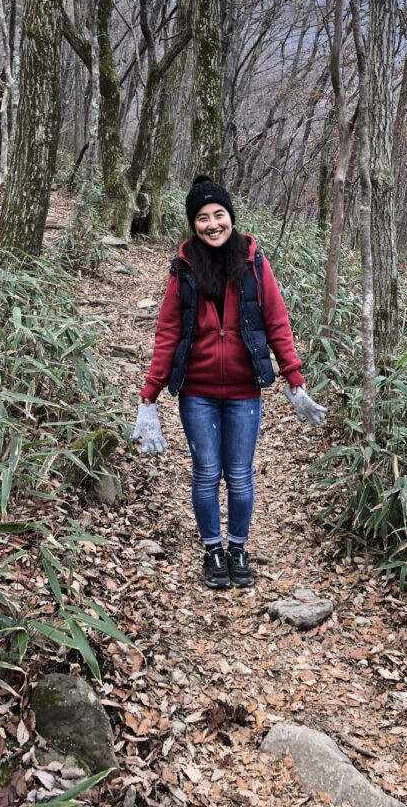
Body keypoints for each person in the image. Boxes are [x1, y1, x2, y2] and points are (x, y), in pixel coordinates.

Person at [133, 175, 326, 590]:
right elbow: (168, 331)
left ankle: (237, 548)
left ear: (231, 218)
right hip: (197, 392)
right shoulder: (184, 266)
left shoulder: (254, 261)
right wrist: (148, 395)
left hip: (243, 391)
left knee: (238, 474)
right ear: (193, 224)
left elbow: (276, 320)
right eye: (202, 217)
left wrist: (294, 379)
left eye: (219, 214)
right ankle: (213, 551)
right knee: (206, 472)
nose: (212, 223)